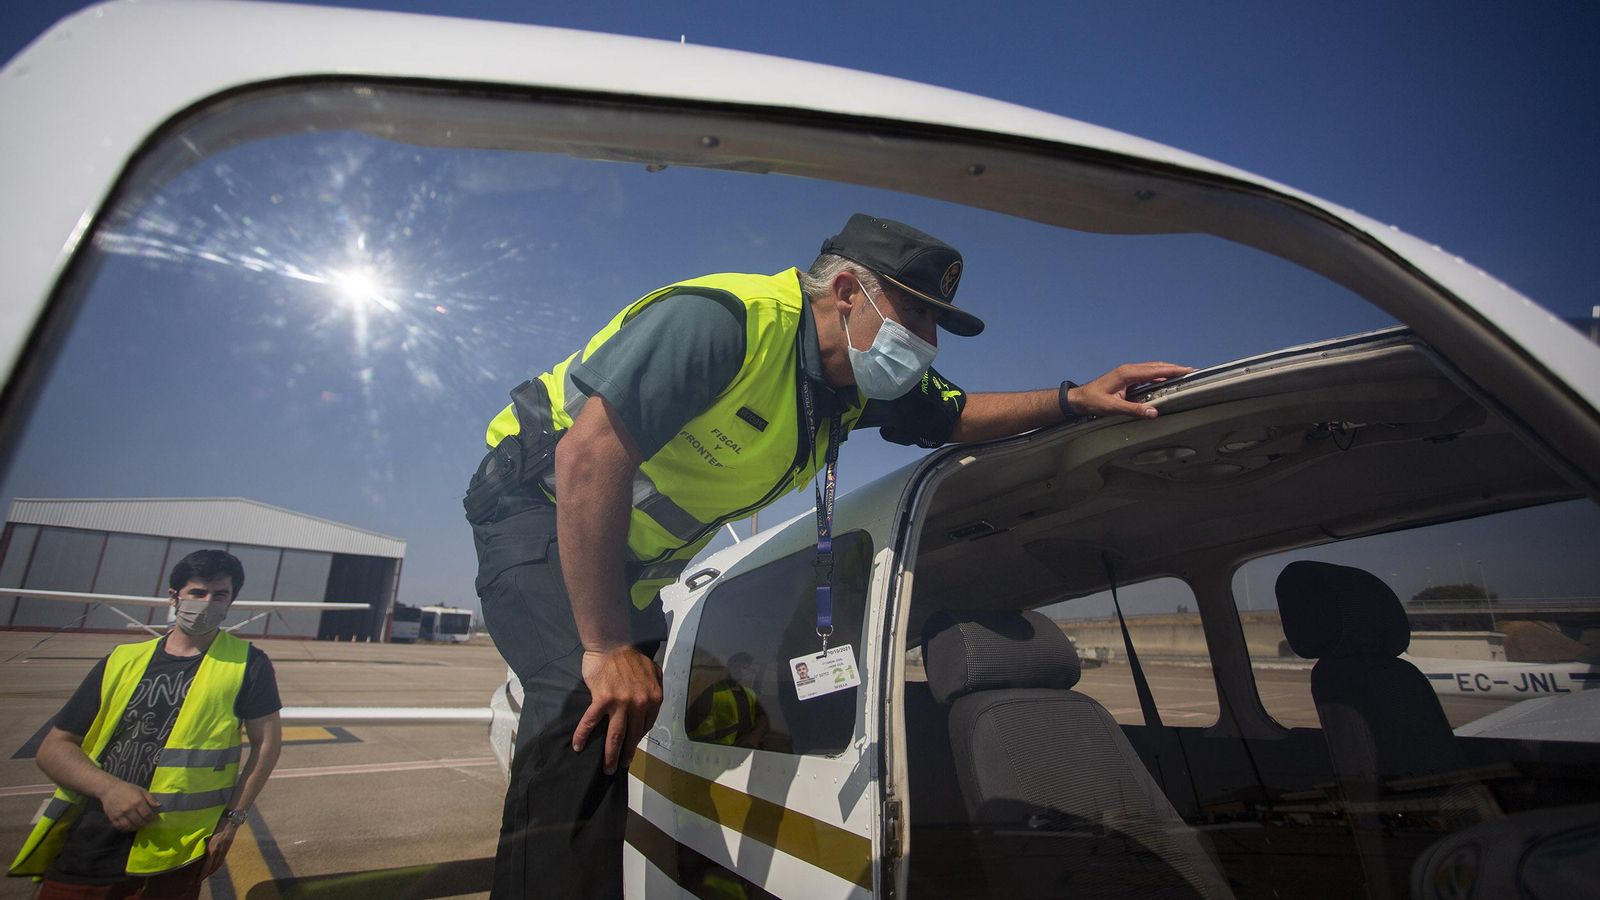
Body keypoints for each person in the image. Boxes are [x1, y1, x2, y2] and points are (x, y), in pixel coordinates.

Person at [463, 212, 1191, 898]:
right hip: (538, 506)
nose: (929, 339)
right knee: (586, 705)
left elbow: (957, 414)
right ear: (848, 292)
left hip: (634, 563)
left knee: (623, 734)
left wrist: (1074, 399)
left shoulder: (849, 387)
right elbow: (588, 454)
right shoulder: (726, 323)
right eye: (918, 314)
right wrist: (603, 644)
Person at [9, 550, 284, 899]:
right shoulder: (121, 660)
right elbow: (54, 748)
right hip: (90, 846)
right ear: (174, 597)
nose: (207, 603)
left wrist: (231, 820)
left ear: (232, 600)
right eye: (198, 593)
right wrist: (108, 789)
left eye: (220, 595)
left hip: (175, 854)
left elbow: (267, 745)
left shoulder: (249, 664)